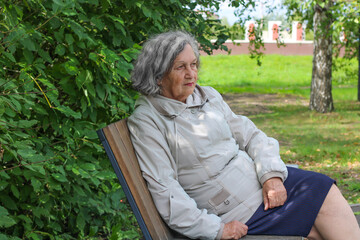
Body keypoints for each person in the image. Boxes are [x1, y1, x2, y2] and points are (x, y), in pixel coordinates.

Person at [127, 31, 360, 240]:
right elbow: (165, 189)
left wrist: (271, 175)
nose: (192, 74)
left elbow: (251, 136)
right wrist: (217, 229)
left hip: (258, 188)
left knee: (321, 190)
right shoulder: (148, 120)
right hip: (235, 210)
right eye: (181, 67)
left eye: (194, 65)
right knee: (319, 211)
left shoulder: (206, 96)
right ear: (158, 75)